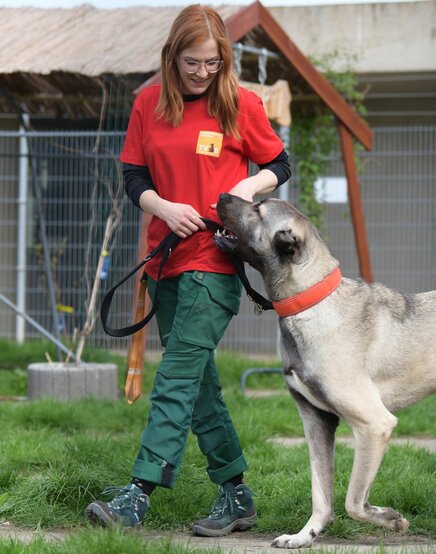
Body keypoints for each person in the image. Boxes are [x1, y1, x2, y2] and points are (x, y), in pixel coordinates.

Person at [85, 4, 290, 537]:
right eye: (193, 62)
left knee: (175, 379)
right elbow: (133, 174)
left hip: (215, 265)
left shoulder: (241, 104)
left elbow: (279, 163)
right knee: (198, 387)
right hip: (164, 261)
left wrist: (248, 187)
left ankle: (139, 493)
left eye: (214, 62)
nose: (203, 72)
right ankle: (237, 495)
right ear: (171, 57)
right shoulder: (148, 103)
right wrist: (162, 207)